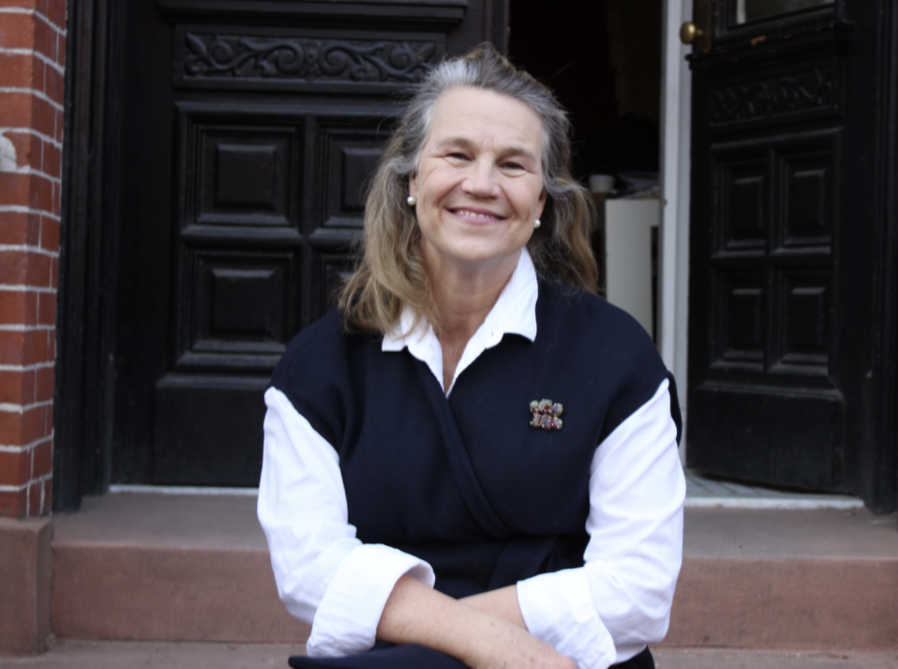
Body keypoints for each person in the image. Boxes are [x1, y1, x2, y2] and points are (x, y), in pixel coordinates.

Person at [257, 44, 685, 669]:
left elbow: (638, 591)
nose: (481, 184)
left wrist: (421, 630)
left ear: (541, 203)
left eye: (513, 165)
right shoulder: (320, 368)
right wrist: (485, 643)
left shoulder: (617, 357)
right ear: (412, 181)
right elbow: (306, 567)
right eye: (457, 155)